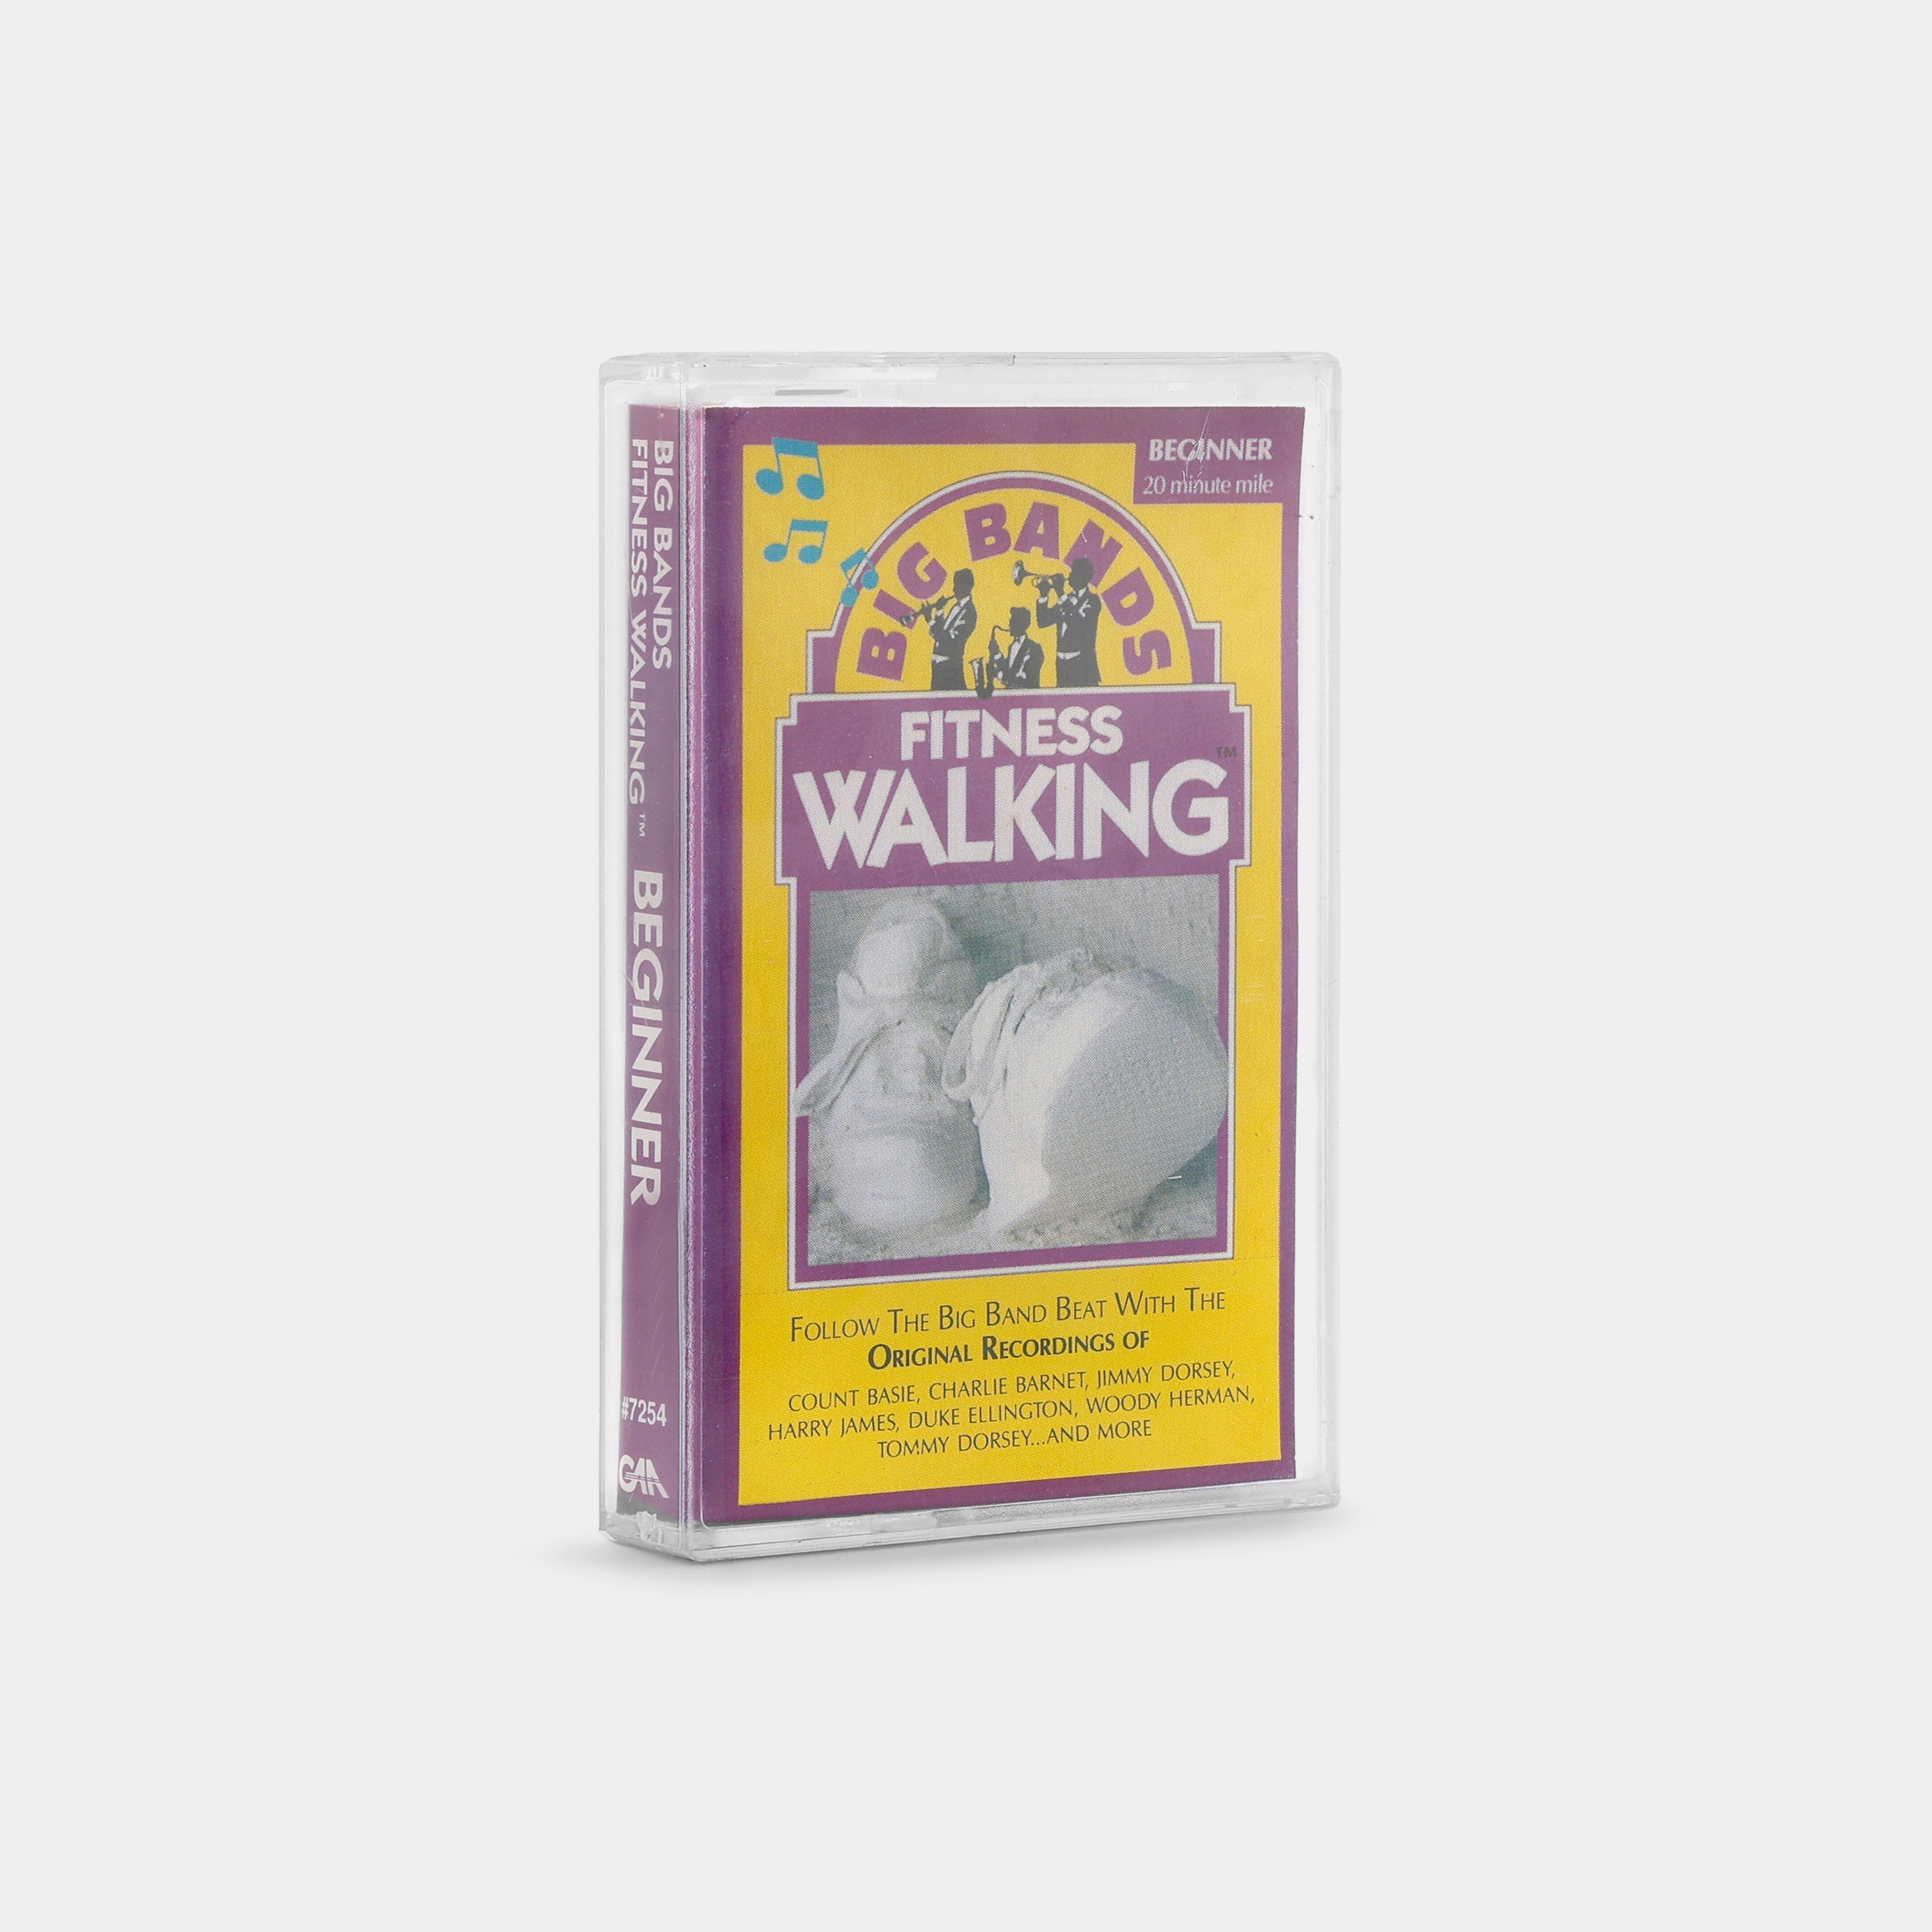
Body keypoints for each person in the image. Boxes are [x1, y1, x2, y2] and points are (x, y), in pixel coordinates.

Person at [1035, 555, 1103, 687]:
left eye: (1074, 573)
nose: (1070, 576)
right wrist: (1044, 596)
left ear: (1084, 577)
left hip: (1083, 665)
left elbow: (1077, 623)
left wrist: (1061, 593)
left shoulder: (1092, 600)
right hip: (1062, 664)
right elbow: (1043, 622)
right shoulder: (1067, 599)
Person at [925, 569, 977, 691]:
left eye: (958, 585)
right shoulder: (955, 607)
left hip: (950, 668)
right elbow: (941, 632)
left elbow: (947, 640)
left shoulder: (969, 612)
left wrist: (929, 619)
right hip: (939, 667)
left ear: (967, 586)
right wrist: (939, 611)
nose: (954, 589)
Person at [996, 607, 1044, 689]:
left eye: (1013, 622)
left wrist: (999, 675)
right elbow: (1009, 670)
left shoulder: (1034, 648)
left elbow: (1027, 679)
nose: (1010, 625)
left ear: (1022, 625)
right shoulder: (1012, 646)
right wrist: (997, 654)